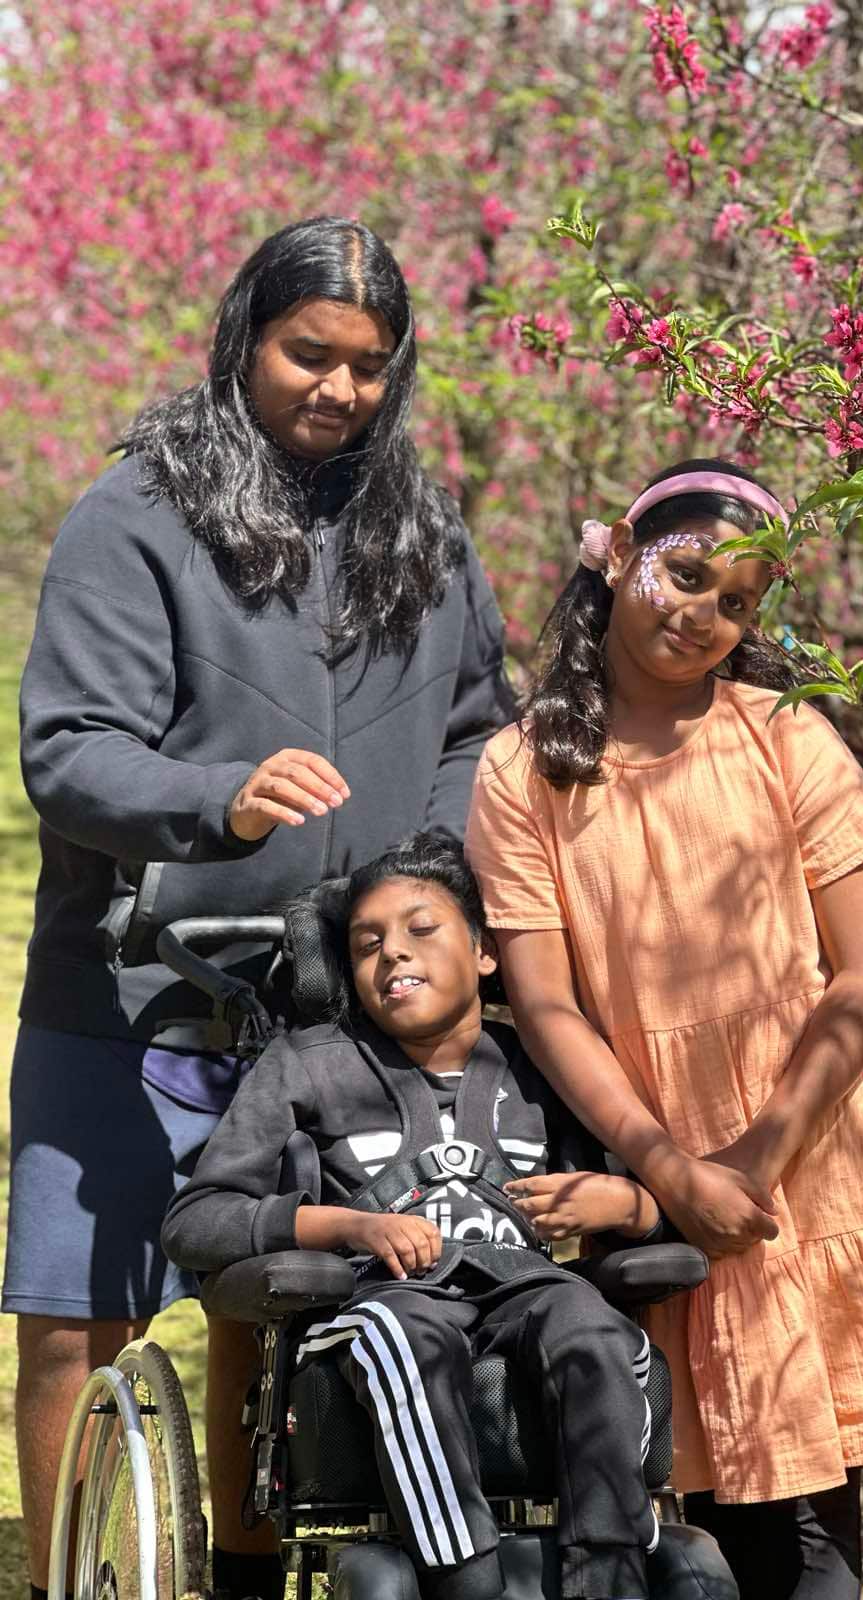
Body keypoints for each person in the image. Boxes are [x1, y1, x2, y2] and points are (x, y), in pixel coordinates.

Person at [7, 217, 513, 1600]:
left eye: (369, 364)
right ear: (244, 340)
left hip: (342, 1008)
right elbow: (68, 750)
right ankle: (64, 1571)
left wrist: (435, 863)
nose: (338, 389)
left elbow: (482, 728)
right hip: (136, 988)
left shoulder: (424, 530)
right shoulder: (137, 517)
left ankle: (237, 1569)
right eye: (309, 354)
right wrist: (220, 800)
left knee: (271, 1297)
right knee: (76, 1319)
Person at [465, 459, 863, 1600]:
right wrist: (668, 1168)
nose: (702, 614)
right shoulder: (525, 768)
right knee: (701, 1475)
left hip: (811, 1138)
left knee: (815, 1495)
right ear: (618, 552)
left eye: (739, 602)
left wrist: (756, 1158)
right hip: (650, 1131)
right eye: (688, 574)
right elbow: (551, 1002)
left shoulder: (785, 737)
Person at [163, 835, 664, 1600]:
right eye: (367, 944)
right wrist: (345, 1227)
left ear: (486, 952)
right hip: (379, 1299)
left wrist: (626, 1202)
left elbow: (656, 1205)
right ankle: (467, 1577)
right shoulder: (309, 1062)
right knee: (406, 1335)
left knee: (594, 1325)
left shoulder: (542, 1062)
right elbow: (196, 1219)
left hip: (524, 1286)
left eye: (421, 930)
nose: (393, 954)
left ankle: (614, 1574)